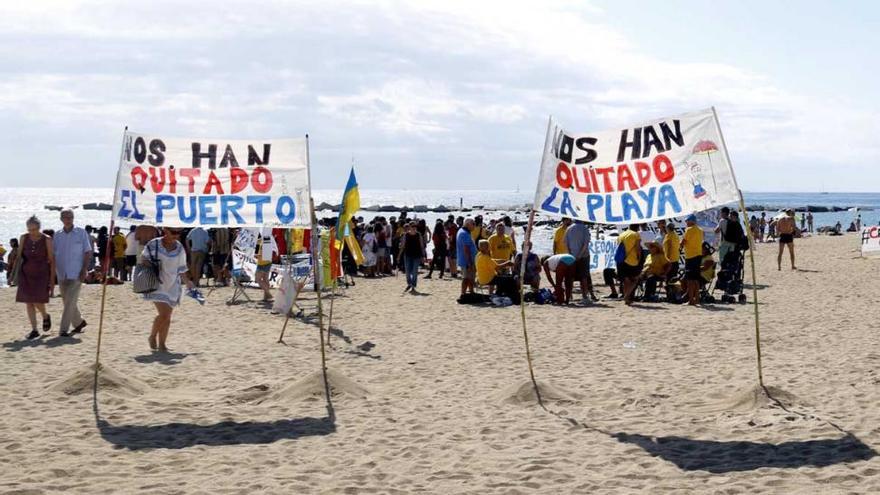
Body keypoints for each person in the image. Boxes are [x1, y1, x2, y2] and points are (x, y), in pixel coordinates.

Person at [141, 227, 195, 352]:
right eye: (174, 232)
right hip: (156, 283)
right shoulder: (154, 244)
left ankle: (162, 344)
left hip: (173, 285)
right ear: (166, 231)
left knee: (167, 316)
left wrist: (187, 282)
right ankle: (152, 336)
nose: (176, 235)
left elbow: (181, 268)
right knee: (164, 314)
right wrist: (153, 266)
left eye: (179, 233)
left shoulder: (179, 248)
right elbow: (143, 259)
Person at [53, 209, 92, 337]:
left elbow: (87, 252)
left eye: (70, 217)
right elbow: (53, 254)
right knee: (67, 301)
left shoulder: (81, 233)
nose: (68, 219)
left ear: (73, 218)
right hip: (61, 273)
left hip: (76, 273)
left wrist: (84, 269)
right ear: (61, 219)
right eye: (65, 217)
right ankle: (79, 322)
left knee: (69, 301)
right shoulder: (57, 235)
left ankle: (63, 329)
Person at [16, 217, 55, 339]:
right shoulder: (23, 238)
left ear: (39, 227)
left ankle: (45, 315)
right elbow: (19, 257)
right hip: (26, 272)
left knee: (37, 300)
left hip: (41, 273)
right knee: (28, 302)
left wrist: (52, 280)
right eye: (30, 229)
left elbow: (51, 259)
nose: (32, 232)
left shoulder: (47, 239)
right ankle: (34, 329)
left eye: (34, 229)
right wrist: (14, 274)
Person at [565, 220, 597, 301]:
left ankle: (570, 296)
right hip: (583, 256)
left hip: (572, 255)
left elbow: (566, 243)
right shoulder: (584, 228)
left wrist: (570, 255)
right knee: (584, 277)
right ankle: (585, 296)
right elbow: (585, 244)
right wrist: (580, 255)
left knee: (571, 276)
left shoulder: (569, 228)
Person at [681, 215, 704, 305]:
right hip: (698, 255)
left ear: (691, 221)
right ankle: (697, 299)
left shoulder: (689, 230)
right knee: (696, 279)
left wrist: (680, 245)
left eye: (687, 221)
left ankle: (691, 300)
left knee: (690, 279)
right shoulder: (700, 230)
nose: (686, 223)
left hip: (690, 256)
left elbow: (683, 242)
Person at [616, 224, 642, 305]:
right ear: (637, 228)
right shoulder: (636, 234)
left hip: (620, 260)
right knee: (635, 279)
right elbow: (638, 248)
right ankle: (626, 296)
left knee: (626, 281)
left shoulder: (621, 235)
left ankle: (627, 299)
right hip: (632, 260)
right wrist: (639, 258)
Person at [401, 222, 426, 292]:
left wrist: (423, 256)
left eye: (415, 226)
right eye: (413, 226)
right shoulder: (406, 235)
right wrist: (398, 255)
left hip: (417, 255)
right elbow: (403, 245)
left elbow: (422, 246)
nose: (414, 228)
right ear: (410, 227)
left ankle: (413, 285)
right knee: (408, 271)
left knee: (415, 271)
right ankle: (409, 283)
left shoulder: (418, 235)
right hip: (407, 255)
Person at [456, 218, 477, 296]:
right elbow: (466, 249)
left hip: (466, 259)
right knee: (466, 278)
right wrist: (470, 262)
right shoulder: (464, 233)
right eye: (473, 224)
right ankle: (463, 294)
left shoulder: (465, 232)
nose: (475, 226)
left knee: (470, 277)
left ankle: (471, 292)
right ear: (468, 224)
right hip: (466, 260)